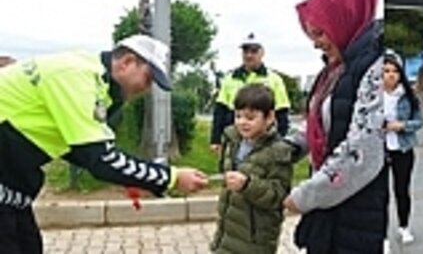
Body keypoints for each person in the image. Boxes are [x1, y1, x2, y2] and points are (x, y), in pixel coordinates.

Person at [0, 35, 208, 253]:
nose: (147, 89)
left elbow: (81, 152)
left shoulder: (89, 76)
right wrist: (171, 178)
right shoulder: (77, 79)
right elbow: (100, 159)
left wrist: (138, 179)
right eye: (148, 79)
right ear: (127, 62)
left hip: (12, 187)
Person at [283, 0, 387, 254]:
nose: (315, 43)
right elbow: (317, 122)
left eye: (320, 33)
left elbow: (362, 149)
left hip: (358, 214)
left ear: (343, 18)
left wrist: (307, 196)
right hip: (332, 211)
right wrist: (287, 148)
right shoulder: (334, 69)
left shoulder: (374, 67)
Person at [210, 83, 294, 254]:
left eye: (250, 118)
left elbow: (278, 195)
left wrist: (247, 185)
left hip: (255, 240)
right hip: (227, 233)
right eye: (238, 116)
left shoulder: (278, 151)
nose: (242, 123)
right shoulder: (232, 140)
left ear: (269, 117)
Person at [210, 33, 292, 153]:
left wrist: (281, 141)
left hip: (263, 139)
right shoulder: (230, 78)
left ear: (262, 53)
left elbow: (282, 114)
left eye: (253, 51)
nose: (249, 55)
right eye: (245, 51)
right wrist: (215, 139)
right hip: (234, 138)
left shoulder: (275, 80)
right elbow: (220, 111)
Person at [381, 50, 422, 246]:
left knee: (401, 189)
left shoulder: (407, 95)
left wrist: (402, 125)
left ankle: (404, 226)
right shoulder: (373, 97)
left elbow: (419, 121)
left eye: (394, 71)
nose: (390, 75)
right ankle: (383, 235)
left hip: (403, 148)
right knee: (380, 194)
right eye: (386, 71)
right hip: (379, 149)